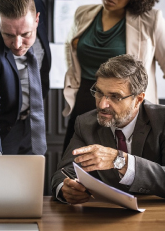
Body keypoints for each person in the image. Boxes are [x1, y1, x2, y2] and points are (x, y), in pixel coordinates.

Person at [51, 54, 165, 204]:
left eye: (115, 96)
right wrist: (65, 188)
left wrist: (121, 161)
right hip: (106, 214)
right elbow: (65, 172)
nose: (102, 104)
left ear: (138, 99)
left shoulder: (161, 120)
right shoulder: (85, 123)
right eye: (99, 92)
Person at [62, 0, 165, 152]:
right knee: (74, 163)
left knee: (126, 166)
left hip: (125, 107)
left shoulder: (151, 19)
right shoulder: (83, 13)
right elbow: (71, 50)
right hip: (85, 100)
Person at [0, 0, 51, 155]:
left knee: (33, 177)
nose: (17, 44)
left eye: (26, 34)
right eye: (8, 35)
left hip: (32, 122)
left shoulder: (37, 6)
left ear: (37, 19)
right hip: (1, 128)